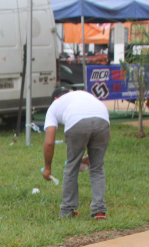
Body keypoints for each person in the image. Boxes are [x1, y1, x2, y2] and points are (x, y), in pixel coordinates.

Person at [42, 88, 110, 220]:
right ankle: (99, 211)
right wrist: (90, 158)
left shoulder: (54, 105)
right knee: (97, 168)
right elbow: (97, 128)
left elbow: (49, 142)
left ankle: (67, 210)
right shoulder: (82, 95)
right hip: (103, 119)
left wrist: (47, 167)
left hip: (77, 122)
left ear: (56, 99)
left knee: (71, 167)